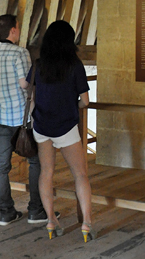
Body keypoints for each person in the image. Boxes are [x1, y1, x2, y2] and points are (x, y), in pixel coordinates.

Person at [0, 14, 56, 227]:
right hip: (22, 117)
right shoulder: (20, 53)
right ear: (13, 30)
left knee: (1, 165)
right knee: (35, 162)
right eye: (18, 27)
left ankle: (6, 212)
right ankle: (35, 210)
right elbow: (26, 84)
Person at [28, 20, 95, 241]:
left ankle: (50, 220)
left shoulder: (39, 64)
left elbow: (34, 95)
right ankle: (86, 223)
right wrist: (71, 104)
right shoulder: (75, 65)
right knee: (80, 174)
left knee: (46, 173)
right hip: (65, 127)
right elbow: (85, 101)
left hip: (41, 126)